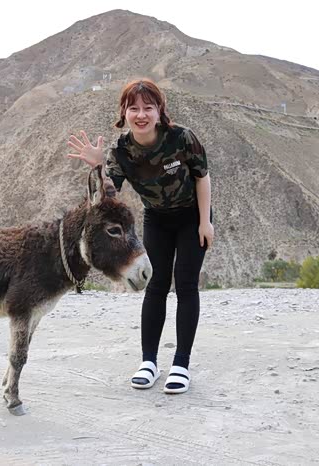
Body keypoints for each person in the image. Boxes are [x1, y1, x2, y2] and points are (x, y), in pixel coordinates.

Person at [66, 78, 213, 394]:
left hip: (192, 218)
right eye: (134, 108)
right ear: (124, 113)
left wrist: (205, 222)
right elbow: (109, 194)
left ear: (160, 111)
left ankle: (181, 364)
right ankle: (149, 362)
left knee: (186, 286)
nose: (141, 114)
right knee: (155, 286)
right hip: (157, 219)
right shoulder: (121, 151)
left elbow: (202, 177)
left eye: (148, 107)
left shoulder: (182, 138)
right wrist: (98, 167)